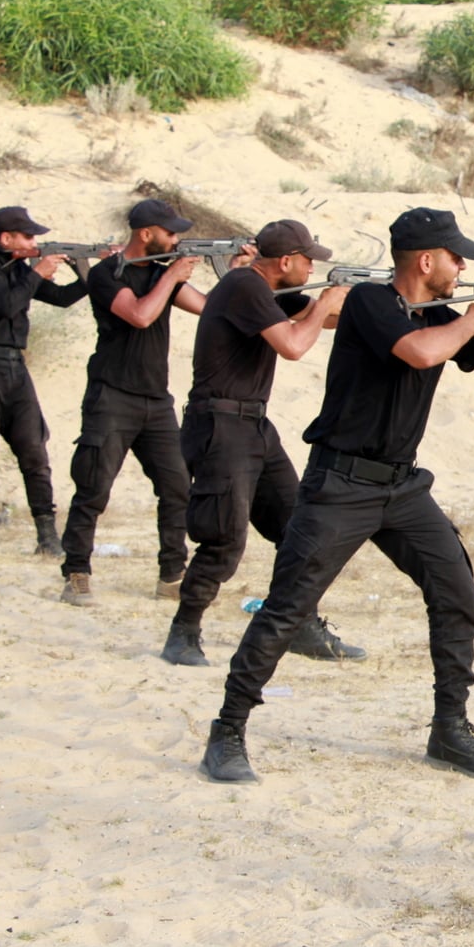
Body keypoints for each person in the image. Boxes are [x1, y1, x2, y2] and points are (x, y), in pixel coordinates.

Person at [199, 206, 474, 785]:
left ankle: (450, 730)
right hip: (340, 484)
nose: (462, 268)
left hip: (401, 484)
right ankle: (228, 730)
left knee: (456, 592)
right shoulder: (370, 302)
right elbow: (418, 351)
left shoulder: (437, 316)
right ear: (426, 261)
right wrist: (472, 321)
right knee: (287, 608)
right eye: (455, 258)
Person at [159, 219, 353, 668]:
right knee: (224, 539)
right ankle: (183, 632)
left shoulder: (266, 290)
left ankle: (299, 625)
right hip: (221, 426)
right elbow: (293, 345)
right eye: (307, 261)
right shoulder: (244, 285)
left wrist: (381, 303)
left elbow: (328, 320)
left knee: (298, 528)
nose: (311, 269)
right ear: (284, 261)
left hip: (252, 425)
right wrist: (326, 302)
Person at [58, 199, 209, 606]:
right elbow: (140, 315)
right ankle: (76, 572)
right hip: (112, 396)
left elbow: (210, 309)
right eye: (170, 233)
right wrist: (171, 276)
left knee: (177, 487)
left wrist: (239, 271)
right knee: (93, 488)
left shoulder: (161, 275)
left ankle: (171, 576)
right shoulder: (107, 274)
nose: (175, 240)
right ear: (146, 234)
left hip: (155, 400)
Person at [0, 205, 88, 554]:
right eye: (28, 236)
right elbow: (7, 304)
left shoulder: (17, 266)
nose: (33, 242)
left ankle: (47, 536)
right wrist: (38, 271)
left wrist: (85, 272)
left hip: (13, 365)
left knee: (33, 450)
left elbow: (62, 299)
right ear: (6, 238)